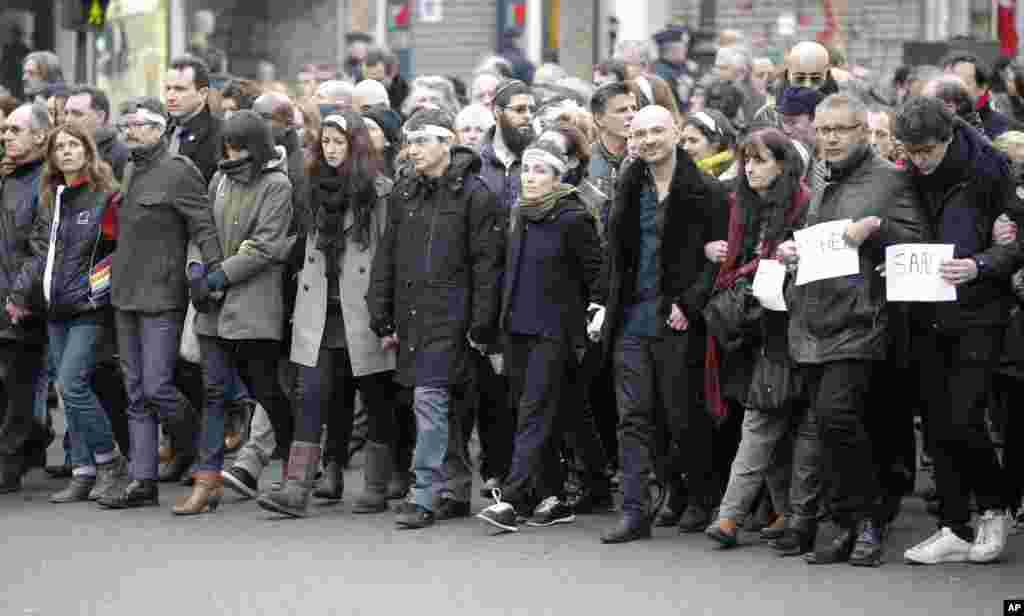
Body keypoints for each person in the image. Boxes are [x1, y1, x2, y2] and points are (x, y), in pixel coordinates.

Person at [779, 93, 925, 566]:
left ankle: (866, 520)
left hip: (866, 320)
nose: (832, 138)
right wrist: (794, 252)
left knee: (838, 415)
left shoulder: (891, 179)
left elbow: (918, 243)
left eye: (842, 129)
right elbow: (819, 240)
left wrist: (876, 232)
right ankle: (844, 519)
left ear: (864, 130)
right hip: (816, 317)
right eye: (824, 130)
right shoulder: (820, 179)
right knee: (830, 424)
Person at [896, 96, 1021, 565]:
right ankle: (953, 525)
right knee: (935, 421)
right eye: (911, 151)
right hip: (926, 307)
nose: (920, 161)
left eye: (927, 150)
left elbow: (1015, 243)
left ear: (948, 138)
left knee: (963, 415)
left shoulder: (989, 170)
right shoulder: (908, 171)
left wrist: (980, 264)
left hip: (980, 311)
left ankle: (994, 505)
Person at [367, 108, 504, 529]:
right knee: (441, 407)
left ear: (448, 142)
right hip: (412, 316)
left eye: (422, 140)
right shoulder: (404, 192)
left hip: (453, 319)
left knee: (431, 403)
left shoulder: (475, 195)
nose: (412, 150)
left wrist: (482, 323)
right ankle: (456, 488)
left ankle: (424, 494)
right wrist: (380, 307)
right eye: (409, 141)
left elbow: (487, 265)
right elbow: (388, 254)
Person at [597, 105, 726, 543]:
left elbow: (720, 258)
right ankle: (635, 511)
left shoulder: (705, 190)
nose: (649, 139)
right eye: (641, 133)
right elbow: (616, 255)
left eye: (657, 131)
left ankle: (699, 494)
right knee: (632, 417)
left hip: (677, 319)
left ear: (675, 133)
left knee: (681, 414)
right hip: (631, 316)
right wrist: (602, 304)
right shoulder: (629, 187)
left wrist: (689, 303)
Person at [258, 111, 397, 518]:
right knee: (311, 397)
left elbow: (386, 256)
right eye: (326, 143)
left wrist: (385, 310)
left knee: (375, 399)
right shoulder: (311, 187)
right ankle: (296, 489)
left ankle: (375, 485)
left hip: (363, 311)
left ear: (355, 144)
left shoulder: (380, 190)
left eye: (340, 142)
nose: (332, 150)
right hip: (319, 310)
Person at [96, 96, 222, 509]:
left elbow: (203, 227)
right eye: (126, 123)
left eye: (139, 124)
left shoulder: (179, 171)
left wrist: (215, 275)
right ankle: (142, 481)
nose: (129, 130)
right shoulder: (131, 168)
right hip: (126, 294)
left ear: (160, 129)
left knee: (158, 387)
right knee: (135, 392)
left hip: (163, 296)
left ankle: (204, 453)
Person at [476, 130, 604, 532]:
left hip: (555, 333)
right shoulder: (519, 214)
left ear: (557, 176)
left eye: (540, 171)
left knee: (534, 413)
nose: (530, 177)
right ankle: (551, 495)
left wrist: (590, 320)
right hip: (517, 330)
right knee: (539, 413)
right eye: (526, 169)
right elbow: (507, 275)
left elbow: (597, 276)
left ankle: (511, 499)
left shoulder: (573, 217)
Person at [172, 110, 292, 516]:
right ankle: (207, 481)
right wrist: (195, 271)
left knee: (267, 392)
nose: (232, 152)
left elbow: (265, 246)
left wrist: (217, 277)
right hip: (211, 305)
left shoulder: (277, 185)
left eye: (239, 146)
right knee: (213, 393)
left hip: (252, 307)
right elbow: (202, 230)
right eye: (228, 145)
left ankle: (298, 471)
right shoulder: (220, 178)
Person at [701, 129, 816, 550]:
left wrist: (781, 260)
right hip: (750, 326)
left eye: (760, 159)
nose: (749, 168)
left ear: (784, 164)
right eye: (746, 159)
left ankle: (730, 517)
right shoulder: (742, 206)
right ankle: (784, 511)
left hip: (791, 330)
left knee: (763, 422)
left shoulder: (806, 206)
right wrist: (750, 267)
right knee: (771, 422)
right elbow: (732, 267)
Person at [10, 122, 126, 503]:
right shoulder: (51, 196)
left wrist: (100, 287)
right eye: (60, 147)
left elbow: (118, 251)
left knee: (71, 384)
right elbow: (41, 252)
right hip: (55, 307)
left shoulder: (105, 196)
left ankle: (110, 463)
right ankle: (83, 470)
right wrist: (23, 295)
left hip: (89, 307)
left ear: (87, 151)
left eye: (74, 145)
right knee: (70, 385)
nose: (67, 152)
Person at [0, 103, 52, 493]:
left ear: (39, 135)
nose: (6, 136)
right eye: (5, 130)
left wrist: (19, 297)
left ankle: (10, 463)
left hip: (23, 303)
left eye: (15, 130)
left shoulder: (47, 184)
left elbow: (39, 249)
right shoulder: (7, 176)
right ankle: (32, 440)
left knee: (18, 387)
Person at [164, 55, 224, 184]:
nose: (170, 96)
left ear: (202, 94)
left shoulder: (220, 135)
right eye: (168, 88)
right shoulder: (159, 130)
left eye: (180, 89)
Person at [586, 83, 637, 229]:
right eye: (621, 110)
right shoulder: (584, 161)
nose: (631, 115)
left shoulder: (647, 157)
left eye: (634, 108)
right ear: (599, 119)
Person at [65, 86, 130, 181]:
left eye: (77, 114)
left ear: (100, 116)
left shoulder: (121, 156)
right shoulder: (60, 152)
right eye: (66, 113)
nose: (68, 120)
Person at [942, 53, 1012, 139]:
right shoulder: (929, 124)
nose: (952, 90)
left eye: (963, 83)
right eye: (946, 82)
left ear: (982, 88)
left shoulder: (1004, 130)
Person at [680, 109, 736, 180]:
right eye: (683, 141)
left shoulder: (733, 179)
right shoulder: (684, 174)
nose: (685, 147)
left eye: (693, 141)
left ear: (715, 143)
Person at [652, 26, 696, 112]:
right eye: (683, 47)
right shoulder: (659, 71)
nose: (686, 50)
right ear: (672, 50)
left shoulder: (684, 67)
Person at [363, 47, 409, 112]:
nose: (373, 85)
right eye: (368, 81)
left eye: (378, 80)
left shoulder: (406, 96)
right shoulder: (360, 92)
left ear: (392, 74)